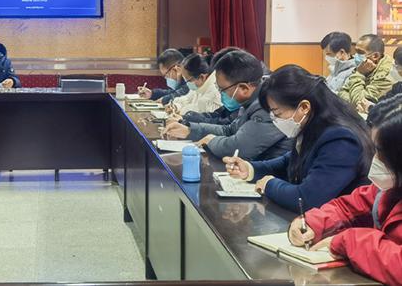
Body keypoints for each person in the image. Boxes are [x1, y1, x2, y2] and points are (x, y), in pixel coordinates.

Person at [222, 65, 373, 212]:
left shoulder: (341, 139)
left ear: (304, 107)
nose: (275, 120)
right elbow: (289, 162)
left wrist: (269, 185)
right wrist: (250, 169)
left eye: (278, 113)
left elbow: (308, 199)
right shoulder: (313, 124)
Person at [287, 95, 402, 285]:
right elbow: (350, 207)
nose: (375, 159)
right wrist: (313, 223)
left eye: (381, 152)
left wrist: (348, 242)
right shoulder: (388, 188)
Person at [162, 50, 291, 161]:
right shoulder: (250, 99)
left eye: (222, 90)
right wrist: (190, 130)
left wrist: (211, 141)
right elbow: (229, 130)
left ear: (243, 88)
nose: (220, 94)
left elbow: (239, 147)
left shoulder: (269, 104)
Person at [181, 47, 241, 126]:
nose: (220, 92)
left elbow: (226, 127)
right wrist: (186, 119)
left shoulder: (253, 111)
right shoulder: (235, 104)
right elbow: (216, 116)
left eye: (223, 89)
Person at [339, 34, 394, 109]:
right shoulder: (363, 67)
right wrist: (354, 101)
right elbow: (341, 92)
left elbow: (361, 102)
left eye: (360, 52)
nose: (355, 55)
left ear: (375, 56)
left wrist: (359, 74)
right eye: (356, 51)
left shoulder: (388, 74)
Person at [364, 46, 402, 117]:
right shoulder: (398, 86)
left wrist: (371, 108)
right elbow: (384, 101)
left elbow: (393, 114)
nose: (393, 68)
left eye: (397, 66)